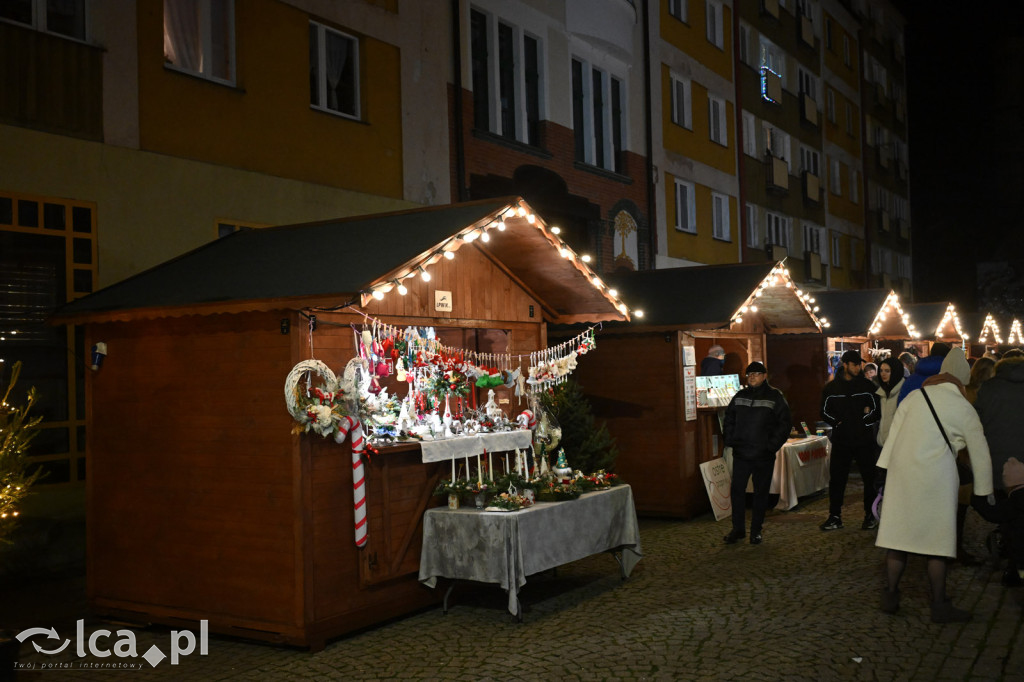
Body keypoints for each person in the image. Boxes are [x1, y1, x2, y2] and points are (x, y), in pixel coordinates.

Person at [875, 357, 993, 623]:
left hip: (902, 474)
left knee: (897, 540)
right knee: (937, 544)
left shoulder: (914, 397)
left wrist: (883, 471)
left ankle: (890, 596)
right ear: (961, 381)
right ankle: (939, 605)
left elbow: (892, 438)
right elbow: (980, 452)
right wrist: (984, 492)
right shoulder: (963, 407)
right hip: (937, 476)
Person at [722, 362, 792, 546]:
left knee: (761, 494)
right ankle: (738, 529)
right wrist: (731, 440)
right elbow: (729, 418)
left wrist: (771, 446)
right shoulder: (740, 396)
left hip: (763, 455)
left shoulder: (775, 397)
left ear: (764, 376)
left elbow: (784, 424)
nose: (752, 377)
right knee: (737, 492)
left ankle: (756, 531)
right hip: (742, 454)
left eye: (756, 374)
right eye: (749, 374)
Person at [973, 353, 1024, 584]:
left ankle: (1009, 559)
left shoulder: (988, 389)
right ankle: (1016, 565)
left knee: (1007, 514)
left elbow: (977, 423)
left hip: (997, 462)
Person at [819, 349, 881, 531]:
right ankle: (835, 516)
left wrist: (865, 421)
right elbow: (823, 411)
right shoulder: (831, 388)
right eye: (854, 364)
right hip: (841, 440)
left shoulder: (867, 386)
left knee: (869, 479)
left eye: (859, 364)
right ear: (845, 365)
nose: (858, 367)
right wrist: (837, 423)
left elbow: (878, 410)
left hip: (864, 440)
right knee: (837, 480)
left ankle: (870, 515)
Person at [875, 357, 905, 448]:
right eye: (881, 370)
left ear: (895, 371)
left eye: (887, 371)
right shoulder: (882, 393)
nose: (883, 374)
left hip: (898, 443)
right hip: (882, 442)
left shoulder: (903, 391)